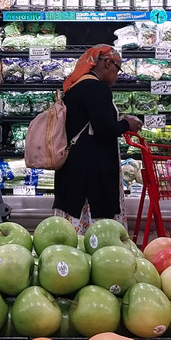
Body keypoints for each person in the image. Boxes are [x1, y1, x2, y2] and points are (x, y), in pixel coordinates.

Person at [53, 44, 142, 234]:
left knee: (72, 230)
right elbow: (104, 129)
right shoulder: (97, 89)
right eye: (117, 69)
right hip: (91, 174)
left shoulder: (75, 87)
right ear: (108, 63)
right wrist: (127, 124)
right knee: (97, 232)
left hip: (73, 170)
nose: (117, 77)